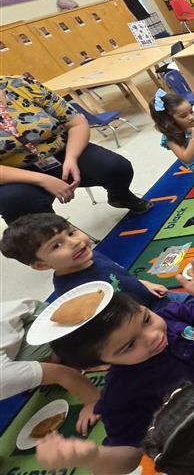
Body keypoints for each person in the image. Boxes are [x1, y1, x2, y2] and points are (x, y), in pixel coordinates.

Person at [36, 266, 194, 475]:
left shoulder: (167, 316)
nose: (152, 336)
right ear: (98, 366)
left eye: (146, 320)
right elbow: (128, 459)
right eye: (130, 345)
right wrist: (92, 456)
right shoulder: (120, 396)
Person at [0, 74, 151, 224]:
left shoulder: (19, 83)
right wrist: (42, 179)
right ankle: (50, 236)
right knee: (18, 202)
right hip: (13, 173)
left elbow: (76, 122)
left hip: (60, 152)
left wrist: (71, 158)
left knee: (117, 167)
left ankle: (120, 197)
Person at [0, 213, 182, 309]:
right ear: (42, 265)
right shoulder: (74, 291)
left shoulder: (86, 254)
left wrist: (144, 283)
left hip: (151, 297)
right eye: (56, 246)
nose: (75, 242)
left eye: (71, 233)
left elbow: (119, 275)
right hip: (145, 317)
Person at [1, 298, 100, 434]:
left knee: (33, 375)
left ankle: (60, 347)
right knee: (23, 380)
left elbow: (62, 374)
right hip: (10, 328)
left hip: (37, 317)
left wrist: (93, 402)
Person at [149, 89, 194, 176]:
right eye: (184, 116)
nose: (191, 117)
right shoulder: (171, 138)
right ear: (170, 120)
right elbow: (186, 158)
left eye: (191, 111)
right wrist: (193, 138)